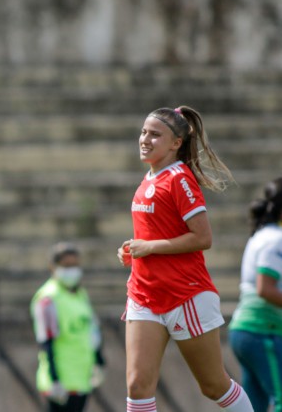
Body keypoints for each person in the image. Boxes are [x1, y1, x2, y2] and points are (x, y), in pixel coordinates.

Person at [118, 105, 252, 411]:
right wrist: (133, 249)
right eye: (143, 132)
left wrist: (150, 248)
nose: (145, 139)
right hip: (144, 294)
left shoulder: (179, 178)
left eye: (155, 134)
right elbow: (154, 234)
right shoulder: (148, 179)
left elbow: (203, 238)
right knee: (137, 386)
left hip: (185, 295)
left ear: (176, 143)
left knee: (214, 386)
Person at [31, 242, 105, 412]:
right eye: (67, 266)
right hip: (60, 382)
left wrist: (99, 361)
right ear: (53, 267)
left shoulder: (80, 294)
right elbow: (46, 341)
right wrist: (55, 379)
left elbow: (91, 331)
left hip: (82, 377)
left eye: (75, 265)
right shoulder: (48, 298)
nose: (72, 270)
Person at [229, 177, 282, 412]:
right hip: (263, 331)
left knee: (254, 405)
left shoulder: (262, 235)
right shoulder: (276, 240)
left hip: (246, 332)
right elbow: (265, 288)